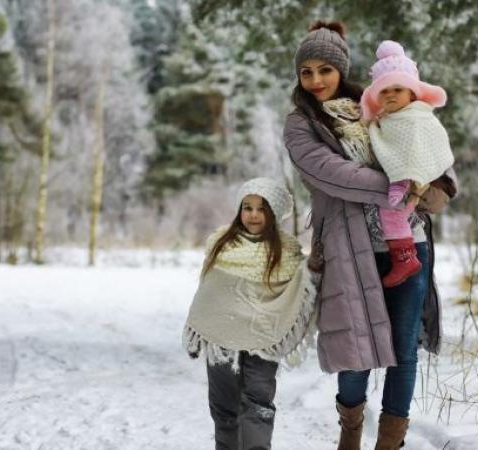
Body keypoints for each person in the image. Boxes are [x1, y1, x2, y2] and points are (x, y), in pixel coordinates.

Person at [283, 21, 457, 450]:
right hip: (349, 248)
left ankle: (390, 443)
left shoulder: (381, 103)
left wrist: (437, 185)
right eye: (307, 72)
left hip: (409, 245)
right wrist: (403, 182)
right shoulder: (301, 125)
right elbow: (332, 175)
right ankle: (350, 436)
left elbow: (428, 143)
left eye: (325, 69)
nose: (317, 80)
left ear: (341, 70)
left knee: (404, 348)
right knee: (355, 350)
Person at [182, 177, 316, 450]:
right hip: (221, 337)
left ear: (275, 212)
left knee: (258, 405)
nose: (253, 214)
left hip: (263, 339)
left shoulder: (287, 253)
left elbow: (295, 293)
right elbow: (210, 292)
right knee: (223, 407)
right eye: (247, 207)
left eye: (262, 208)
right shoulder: (221, 244)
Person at [360, 40, 455, 288]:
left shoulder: (416, 117)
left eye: (397, 89)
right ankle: (404, 256)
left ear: (412, 93)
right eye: (384, 91)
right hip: (398, 199)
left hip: (417, 187)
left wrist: (406, 178)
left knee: (392, 213)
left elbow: (415, 149)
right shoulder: (386, 120)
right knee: (392, 212)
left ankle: (405, 258)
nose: (390, 94)